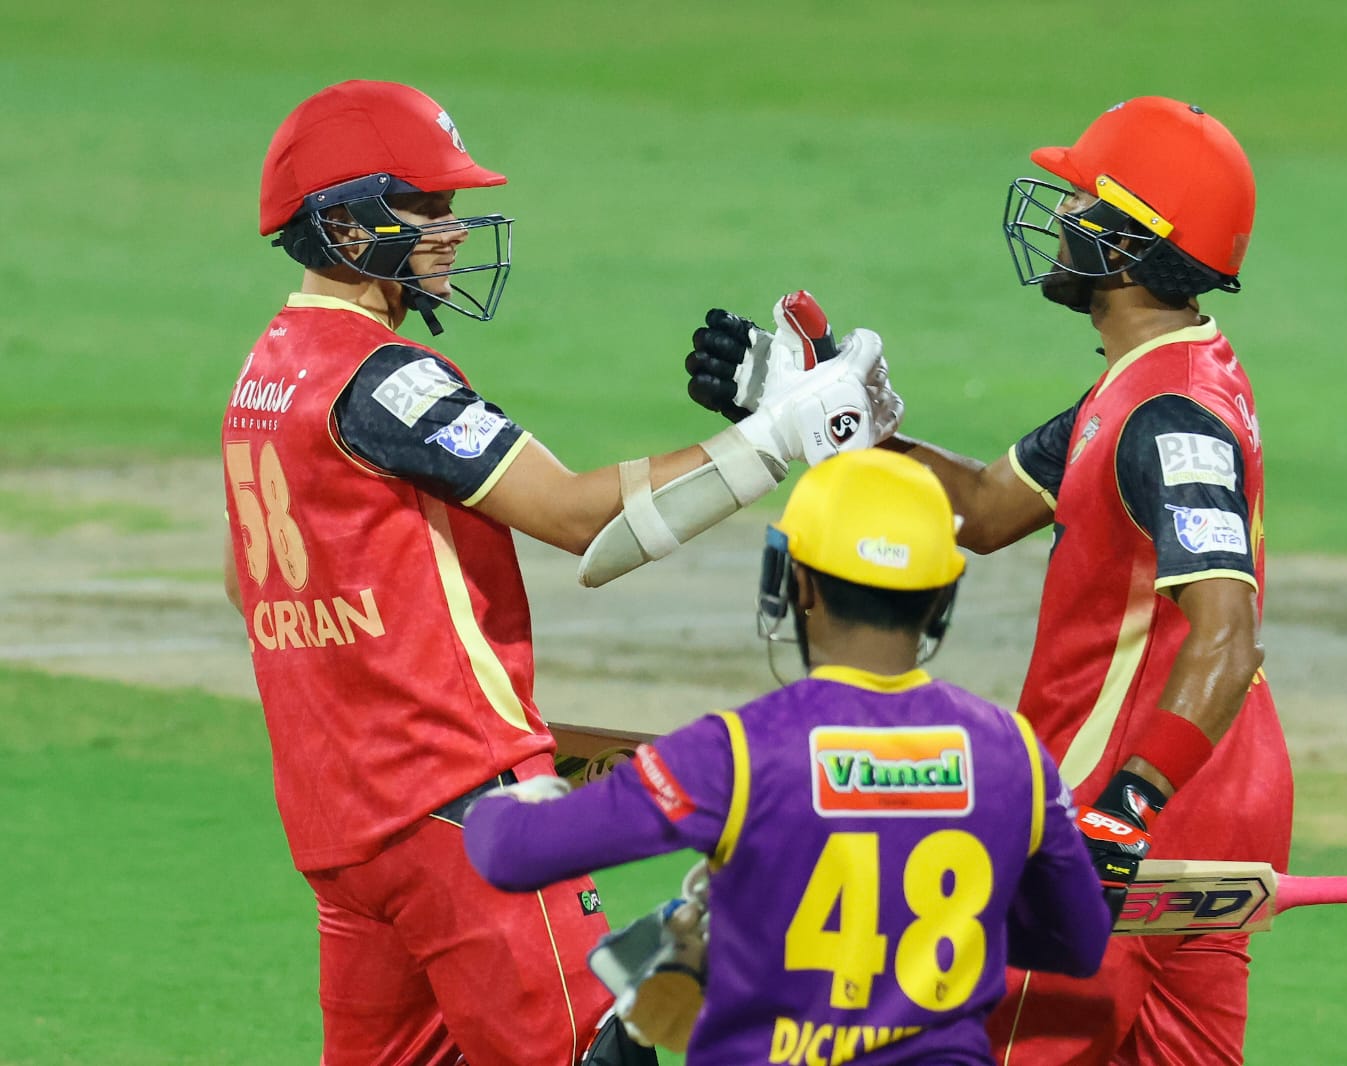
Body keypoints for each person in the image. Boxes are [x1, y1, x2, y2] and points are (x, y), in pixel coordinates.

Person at [221, 79, 901, 1066]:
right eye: (426, 206)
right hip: (460, 809)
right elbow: (581, 521)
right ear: (347, 222)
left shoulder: (265, 374)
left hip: (342, 827)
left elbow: (250, 586)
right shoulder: (384, 377)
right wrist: (776, 436)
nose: (453, 229)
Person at [685, 96, 1289, 1065]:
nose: (1059, 217)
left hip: (1116, 807)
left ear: (1131, 244)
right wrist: (812, 412)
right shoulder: (1155, 383)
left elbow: (1227, 634)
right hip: (1214, 808)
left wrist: (1123, 809)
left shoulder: (1168, 416)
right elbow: (979, 509)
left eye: (1080, 202)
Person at [462, 448, 1113, 1065]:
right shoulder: (1014, 754)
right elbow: (1079, 941)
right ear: (942, 597)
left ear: (795, 581)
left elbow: (512, 852)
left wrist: (521, 798)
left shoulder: (739, 752)